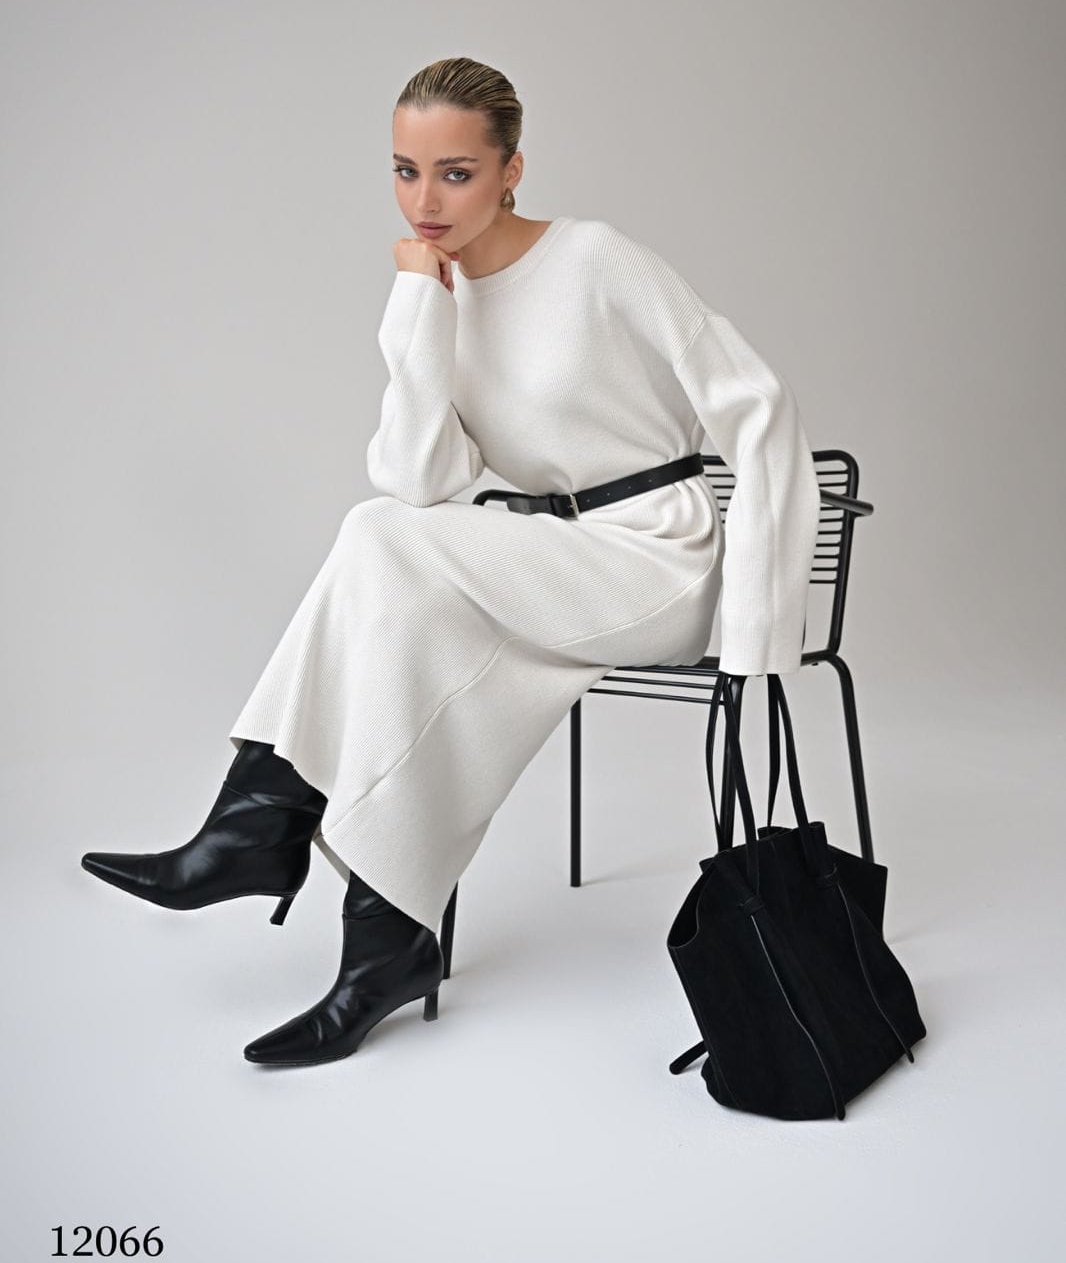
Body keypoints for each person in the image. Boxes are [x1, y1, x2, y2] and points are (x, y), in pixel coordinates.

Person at [81, 55, 821, 1069]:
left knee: (376, 538)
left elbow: (757, 406)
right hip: (554, 560)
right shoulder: (440, 292)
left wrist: (758, 629)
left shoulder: (596, 259)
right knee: (405, 616)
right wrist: (417, 307)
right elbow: (419, 477)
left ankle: (261, 823)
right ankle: (381, 944)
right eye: (405, 171)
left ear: (512, 170)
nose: (425, 201)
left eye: (456, 173)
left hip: (659, 559)